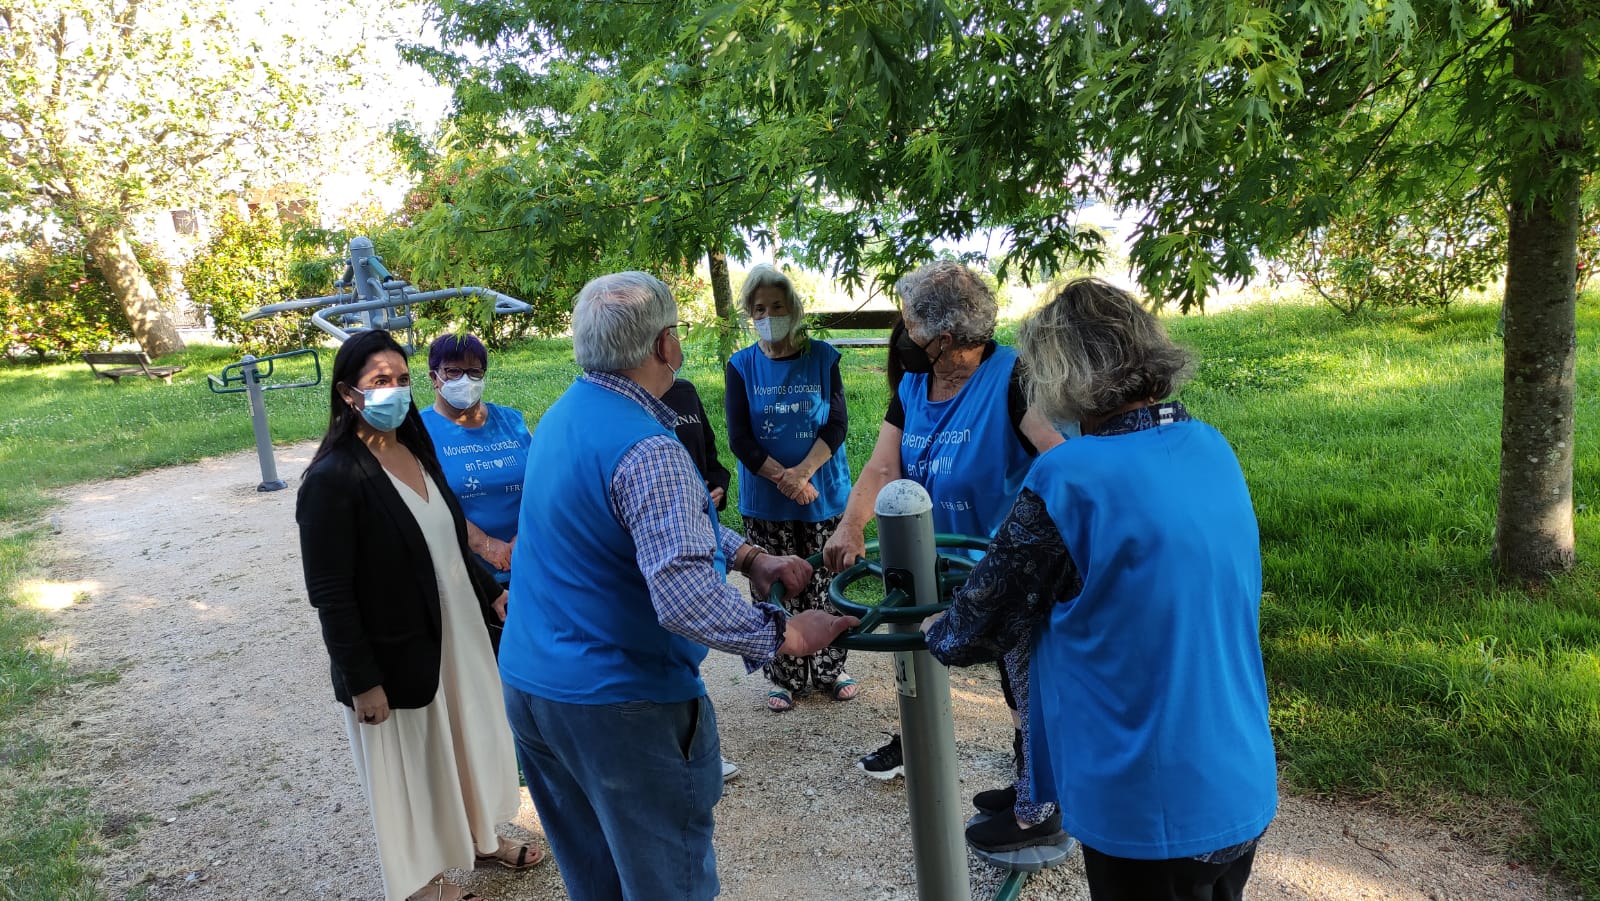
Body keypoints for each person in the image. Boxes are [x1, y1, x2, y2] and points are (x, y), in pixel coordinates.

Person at [497, 271, 859, 901]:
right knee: (668, 884)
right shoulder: (647, 446)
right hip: (620, 706)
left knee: (598, 877)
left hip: (534, 689)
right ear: (666, 345)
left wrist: (748, 556)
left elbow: (643, 520)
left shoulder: (565, 414)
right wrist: (785, 636)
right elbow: (683, 596)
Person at [923, 278, 1277, 899]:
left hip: (1148, 802)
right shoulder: (1211, 447)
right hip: (1239, 776)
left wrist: (933, 629)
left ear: (1063, 373)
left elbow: (980, 622)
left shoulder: (1070, 475)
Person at [821, 260, 1063, 852]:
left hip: (1005, 567)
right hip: (938, 565)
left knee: (1025, 683)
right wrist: (852, 524)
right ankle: (1020, 780)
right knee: (953, 664)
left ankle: (1040, 808)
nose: (903, 335)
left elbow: (1060, 459)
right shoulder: (912, 386)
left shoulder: (1012, 378)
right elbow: (883, 466)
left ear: (945, 337)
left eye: (911, 324)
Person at [296, 329, 544, 901]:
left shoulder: (415, 449)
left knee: (468, 740)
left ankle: (481, 840)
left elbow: (448, 538)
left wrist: (489, 590)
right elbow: (330, 594)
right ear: (348, 394)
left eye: (402, 379)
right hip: (395, 651)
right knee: (407, 772)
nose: (396, 391)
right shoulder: (334, 479)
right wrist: (363, 683)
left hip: (455, 632)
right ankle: (419, 885)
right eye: (380, 381)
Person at [724, 264, 856, 712]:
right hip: (767, 498)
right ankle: (783, 675)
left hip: (822, 494)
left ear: (793, 308)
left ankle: (830, 667)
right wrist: (785, 478)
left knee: (826, 579)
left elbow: (837, 423)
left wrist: (803, 474)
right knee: (776, 585)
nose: (768, 315)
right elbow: (739, 438)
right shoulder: (741, 365)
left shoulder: (823, 358)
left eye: (776, 307)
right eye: (758, 308)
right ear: (748, 313)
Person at [419, 333, 533, 652]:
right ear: (434, 378)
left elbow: (540, 483)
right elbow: (430, 500)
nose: (465, 380)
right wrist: (485, 545)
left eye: (475, 371)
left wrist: (521, 539)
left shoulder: (511, 421)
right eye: (454, 371)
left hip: (527, 565)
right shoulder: (418, 431)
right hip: (463, 576)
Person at [659, 375, 742, 782]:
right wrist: (781, 635)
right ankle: (691, 758)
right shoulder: (625, 412)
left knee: (691, 654)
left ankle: (700, 754)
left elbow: (712, 461)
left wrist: (718, 489)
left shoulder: (685, 392)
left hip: (704, 533)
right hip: (672, 543)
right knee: (675, 648)